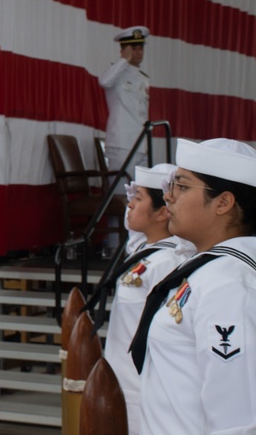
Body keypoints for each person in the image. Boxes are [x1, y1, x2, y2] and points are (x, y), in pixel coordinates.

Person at [129, 138, 256, 435]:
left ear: (223, 203)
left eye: (182, 186)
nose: (168, 197)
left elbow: (241, 421)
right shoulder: (204, 267)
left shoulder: (230, 286)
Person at [101, 163, 193, 435]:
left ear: (163, 212)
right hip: (120, 383)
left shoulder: (167, 263)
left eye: (138, 198)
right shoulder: (144, 252)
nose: (129, 205)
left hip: (140, 390)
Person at [98, 26, 151, 181]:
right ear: (123, 50)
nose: (138, 52)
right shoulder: (116, 73)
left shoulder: (143, 78)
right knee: (121, 193)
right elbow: (104, 81)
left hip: (140, 143)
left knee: (140, 194)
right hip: (122, 142)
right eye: (133, 48)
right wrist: (124, 60)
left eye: (140, 48)